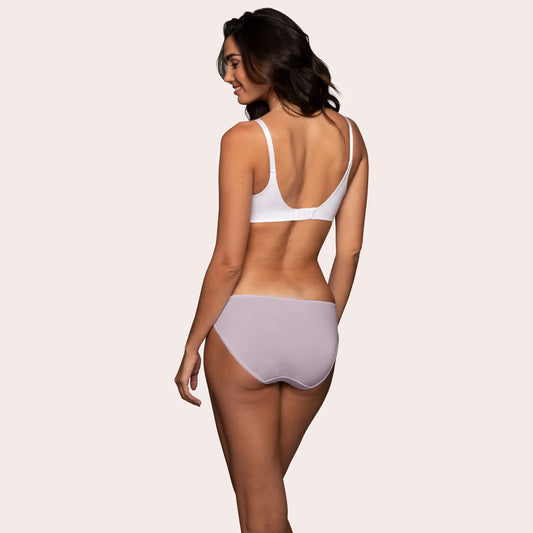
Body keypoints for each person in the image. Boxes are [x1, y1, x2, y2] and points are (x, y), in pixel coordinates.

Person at [175, 8, 368, 532]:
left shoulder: (244, 140)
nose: (228, 76)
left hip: (246, 328)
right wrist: (324, 325)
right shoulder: (351, 138)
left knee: (257, 507)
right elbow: (349, 253)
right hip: (315, 326)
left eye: (236, 62)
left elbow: (228, 260)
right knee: (264, 500)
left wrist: (192, 342)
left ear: (268, 57)